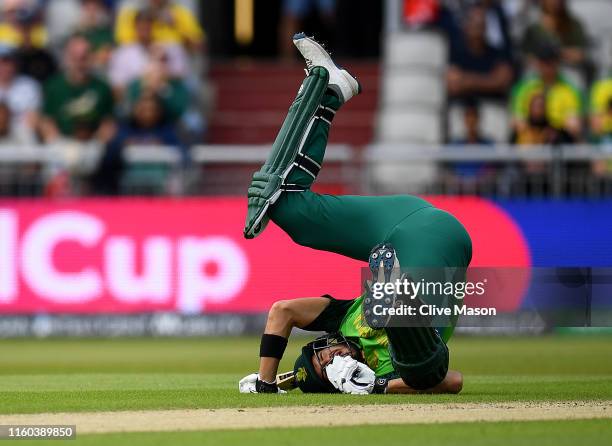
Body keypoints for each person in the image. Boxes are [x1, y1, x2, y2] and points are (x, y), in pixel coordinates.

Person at [239, 35, 471, 394]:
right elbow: (452, 382)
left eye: (323, 354)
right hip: (440, 246)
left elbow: (282, 311)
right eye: (327, 364)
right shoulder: (382, 369)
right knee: (419, 360)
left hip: (400, 219)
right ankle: (396, 292)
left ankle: (329, 90)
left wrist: (266, 381)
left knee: (284, 206)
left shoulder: (342, 319)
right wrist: (377, 385)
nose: (331, 356)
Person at [39, 34, 115, 144]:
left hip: (94, 146)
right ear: (67, 58)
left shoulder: (103, 87)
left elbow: (108, 123)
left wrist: (96, 145)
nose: (80, 63)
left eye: (84, 57)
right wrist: (59, 144)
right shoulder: (53, 86)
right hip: (62, 145)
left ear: (92, 57)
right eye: (75, 57)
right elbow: (46, 121)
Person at [511, 41, 583, 141]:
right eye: (544, 61)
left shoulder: (569, 89)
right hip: (531, 139)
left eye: (551, 61)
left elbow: (574, 125)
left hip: (558, 139)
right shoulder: (524, 87)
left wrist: (553, 130)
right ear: (537, 62)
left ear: (558, 62)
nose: (547, 66)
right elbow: (518, 121)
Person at [446, 3, 513, 101]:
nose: (478, 29)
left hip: (492, 108)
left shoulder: (496, 53)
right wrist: (489, 80)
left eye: (482, 25)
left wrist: (467, 80)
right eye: (475, 24)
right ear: (466, 26)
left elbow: (503, 81)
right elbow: (453, 85)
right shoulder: (456, 52)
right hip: (462, 109)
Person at [521, 0, 588, 70]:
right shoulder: (533, 27)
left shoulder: (573, 25)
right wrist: (541, 58)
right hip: (539, 71)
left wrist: (559, 52)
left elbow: (581, 54)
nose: (554, 2)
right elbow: (526, 55)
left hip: (567, 69)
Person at [114, 0, 204, 52]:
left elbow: (198, 46)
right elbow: (122, 43)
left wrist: (176, 26)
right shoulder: (130, 11)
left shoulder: (179, 12)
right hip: (139, 70)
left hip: (176, 71)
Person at [0, 44, 40, 144]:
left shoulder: (29, 86)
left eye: (6, 61)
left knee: (28, 135)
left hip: (21, 132)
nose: (2, 66)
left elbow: (33, 118)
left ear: (15, 63)